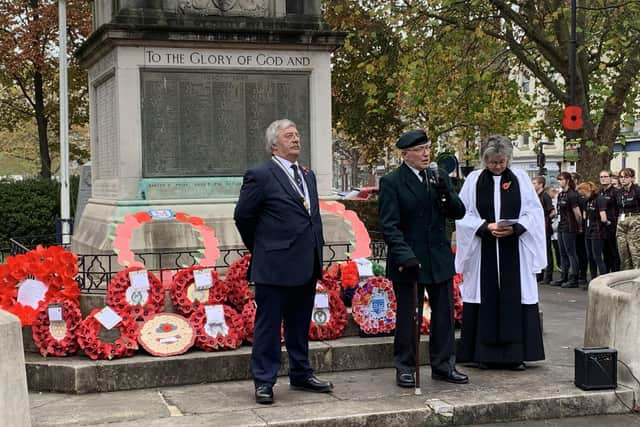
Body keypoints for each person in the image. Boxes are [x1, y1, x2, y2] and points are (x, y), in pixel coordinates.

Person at [234, 119, 332, 405]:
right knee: (269, 325)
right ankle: (264, 381)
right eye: (289, 136)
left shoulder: (306, 174)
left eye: (298, 135)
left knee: (299, 323)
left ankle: (301, 373)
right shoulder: (260, 175)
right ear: (274, 144)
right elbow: (243, 216)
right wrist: (263, 247)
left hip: (306, 261)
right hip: (274, 264)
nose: (296, 139)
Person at [378, 129, 468, 387]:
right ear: (406, 154)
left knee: (444, 315)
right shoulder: (393, 182)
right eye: (419, 150)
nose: (426, 153)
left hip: (437, 258)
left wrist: (446, 193)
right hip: (409, 261)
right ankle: (405, 366)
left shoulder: (438, 176)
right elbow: (389, 225)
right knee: (409, 317)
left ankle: (443, 365)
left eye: (428, 147)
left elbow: (458, 211)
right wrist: (404, 255)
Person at [455, 135, 545, 370]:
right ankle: (482, 354)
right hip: (483, 250)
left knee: (515, 295)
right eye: (493, 162)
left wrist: (515, 228)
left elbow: (534, 213)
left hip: (514, 249)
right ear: (485, 160)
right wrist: (486, 227)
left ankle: (515, 355)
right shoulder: (474, 180)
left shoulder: (521, 179)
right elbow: (463, 214)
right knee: (483, 295)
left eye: (501, 161)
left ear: (508, 159)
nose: (497, 166)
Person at [552, 172, 582, 288]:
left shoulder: (572, 195)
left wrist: (579, 226)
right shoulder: (561, 195)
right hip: (561, 225)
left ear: (568, 180)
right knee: (562, 252)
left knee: (571, 252)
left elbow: (577, 213)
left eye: (561, 180)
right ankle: (563, 276)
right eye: (558, 180)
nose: (559, 182)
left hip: (569, 226)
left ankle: (574, 277)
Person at [576, 182, 608, 281]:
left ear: (588, 190)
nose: (582, 195)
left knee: (597, 257)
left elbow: (604, 217)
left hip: (597, 231)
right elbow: (585, 216)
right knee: (590, 257)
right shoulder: (587, 201)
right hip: (588, 231)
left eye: (583, 193)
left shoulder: (599, 199)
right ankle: (593, 279)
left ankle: (603, 280)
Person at [615, 168, 640, 270]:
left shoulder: (637, 190)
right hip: (621, 221)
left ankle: (637, 278)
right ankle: (626, 278)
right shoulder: (619, 192)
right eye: (621, 177)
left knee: (635, 252)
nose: (623, 179)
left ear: (632, 178)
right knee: (623, 252)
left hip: (635, 220)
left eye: (626, 177)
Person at [532, 176, 555, 284]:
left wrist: (546, 219)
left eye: (535, 183)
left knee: (546, 251)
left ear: (541, 184)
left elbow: (552, 211)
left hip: (544, 227)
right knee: (538, 251)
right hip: (536, 228)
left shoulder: (545, 196)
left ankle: (548, 275)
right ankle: (539, 274)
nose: (533, 185)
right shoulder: (535, 196)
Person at [598, 170, 620, 272]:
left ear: (610, 178)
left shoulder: (615, 192)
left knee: (613, 251)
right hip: (602, 226)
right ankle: (606, 274)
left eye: (605, 176)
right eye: (601, 177)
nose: (603, 178)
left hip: (613, 224)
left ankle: (615, 273)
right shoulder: (600, 192)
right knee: (605, 251)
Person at [571, 172, 589, 286]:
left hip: (581, 227)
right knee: (576, 251)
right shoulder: (571, 195)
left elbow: (582, 213)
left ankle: (582, 274)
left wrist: (581, 226)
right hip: (572, 227)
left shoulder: (580, 197)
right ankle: (576, 274)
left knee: (582, 251)